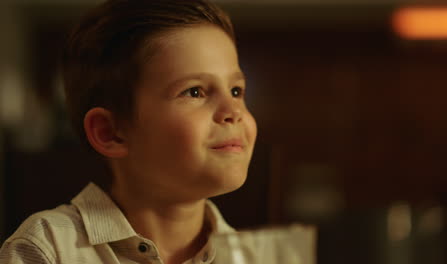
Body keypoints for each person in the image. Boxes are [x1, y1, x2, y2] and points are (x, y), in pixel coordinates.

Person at [0, 0, 257, 263]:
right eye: (194, 91)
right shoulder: (48, 247)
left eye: (236, 91)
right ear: (111, 132)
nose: (233, 110)